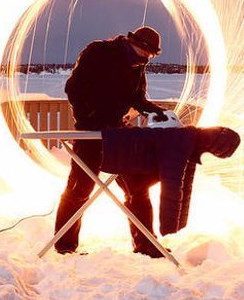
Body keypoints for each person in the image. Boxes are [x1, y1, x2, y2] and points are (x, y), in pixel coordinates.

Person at [55, 25, 167, 255]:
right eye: (145, 52)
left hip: (117, 132)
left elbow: (138, 99)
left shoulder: (138, 66)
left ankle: (146, 243)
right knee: (79, 188)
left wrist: (158, 112)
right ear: (132, 42)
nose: (147, 58)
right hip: (90, 132)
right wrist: (90, 117)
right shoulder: (98, 52)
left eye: (151, 55)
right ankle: (64, 245)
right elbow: (74, 88)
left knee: (137, 186)